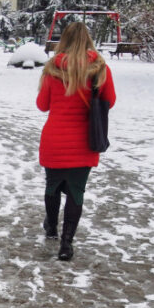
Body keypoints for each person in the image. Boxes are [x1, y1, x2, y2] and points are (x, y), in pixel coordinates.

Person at [36, 22, 116, 261]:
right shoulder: (100, 69)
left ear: (64, 40)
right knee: (75, 192)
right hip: (84, 140)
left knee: (52, 186)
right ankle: (66, 244)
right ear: (88, 40)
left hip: (55, 139)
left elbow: (43, 105)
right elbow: (109, 100)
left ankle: (51, 226)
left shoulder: (52, 68)